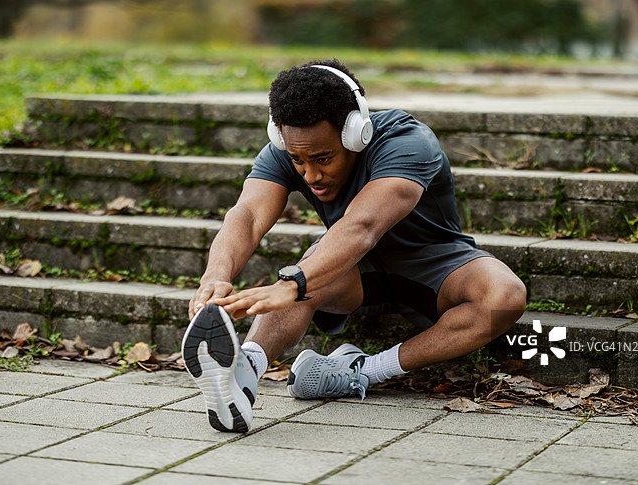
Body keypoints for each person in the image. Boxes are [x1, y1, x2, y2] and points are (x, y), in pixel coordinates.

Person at [181, 59, 526, 433]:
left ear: (355, 133)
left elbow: (362, 226)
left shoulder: (408, 142)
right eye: (297, 159)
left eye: (322, 159)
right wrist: (215, 275)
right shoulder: (287, 151)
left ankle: (361, 371)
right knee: (309, 266)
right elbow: (247, 214)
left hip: (438, 263)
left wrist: (293, 284)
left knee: (504, 297)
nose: (311, 175)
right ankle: (244, 372)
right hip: (355, 271)